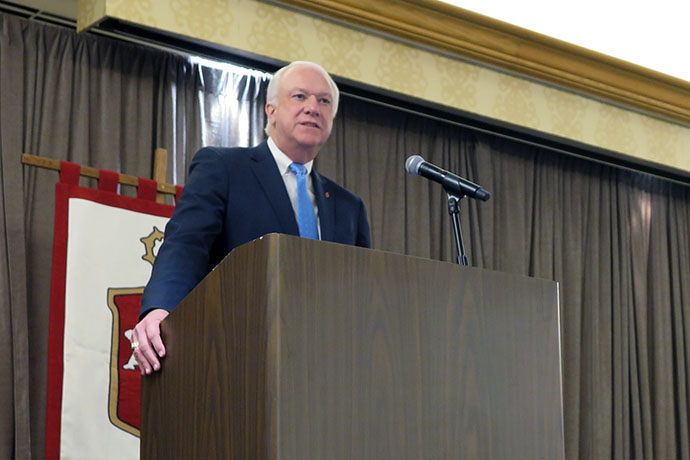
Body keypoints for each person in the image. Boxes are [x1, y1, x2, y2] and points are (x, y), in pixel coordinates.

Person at [130, 61, 371, 375]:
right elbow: (185, 245)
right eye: (300, 97)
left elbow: (363, 293)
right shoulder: (224, 168)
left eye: (324, 101)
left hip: (327, 369)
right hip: (236, 357)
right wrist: (160, 308)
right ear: (270, 110)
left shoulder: (349, 207)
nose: (313, 107)